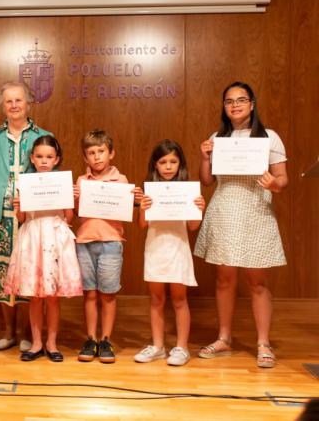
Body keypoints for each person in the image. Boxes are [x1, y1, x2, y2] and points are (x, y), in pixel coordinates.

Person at [194, 82, 288, 368]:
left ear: (252, 104)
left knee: (257, 282)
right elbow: (208, 181)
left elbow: (282, 179)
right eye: (229, 101)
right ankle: (224, 338)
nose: (234, 105)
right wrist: (205, 157)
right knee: (224, 279)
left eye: (240, 100)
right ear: (224, 107)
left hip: (255, 212)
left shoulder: (270, 137)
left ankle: (263, 343)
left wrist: (274, 183)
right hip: (224, 210)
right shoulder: (217, 137)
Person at [0, 81, 51, 351]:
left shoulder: (43, 136)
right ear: (3, 106)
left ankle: (31, 334)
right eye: (9, 101)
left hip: (32, 219)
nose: (14, 105)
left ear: (28, 103)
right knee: (3, 274)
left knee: (31, 275)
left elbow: (51, 179)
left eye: (19, 100)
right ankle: (8, 333)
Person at [5, 135, 82, 362]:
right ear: (32, 158)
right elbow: (21, 218)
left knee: (52, 297)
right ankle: (37, 343)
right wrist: (18, 206)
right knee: (35, 296)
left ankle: (52, 343)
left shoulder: (62, 182)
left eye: (49, 157)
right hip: (33, 237)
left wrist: (71, 201)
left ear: (56, 159)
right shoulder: (24, 182)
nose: (44, 161)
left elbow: (69, 218)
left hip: (56, 238)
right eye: (39, 156)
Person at [134, 139, 205, 367]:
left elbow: (193, 227)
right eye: (163, 162)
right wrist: (142, 209)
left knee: (179, 299)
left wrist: (199, 209)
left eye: (173, 161)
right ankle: (157, 346)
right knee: (156, 299)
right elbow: (142, 226)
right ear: (155, 165)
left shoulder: (188, 191)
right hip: (155, 248)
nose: (168, 166)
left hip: (178, 249)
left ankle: (182, 347)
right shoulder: (149, 190)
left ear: (180, 164)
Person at [73, 129, 140, 364]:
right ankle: (90, 339)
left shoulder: (121, 181)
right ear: (85, 157)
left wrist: (135, 200)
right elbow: (72, 213)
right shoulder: (81, 182)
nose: (97, 157)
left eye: (101, 151)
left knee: (108, 294)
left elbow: (127, 208)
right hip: (84, 243)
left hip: (111, 243)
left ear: (111, 153)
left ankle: (106, 340)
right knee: (89, 294)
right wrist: (73, 197)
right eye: (91, 153)